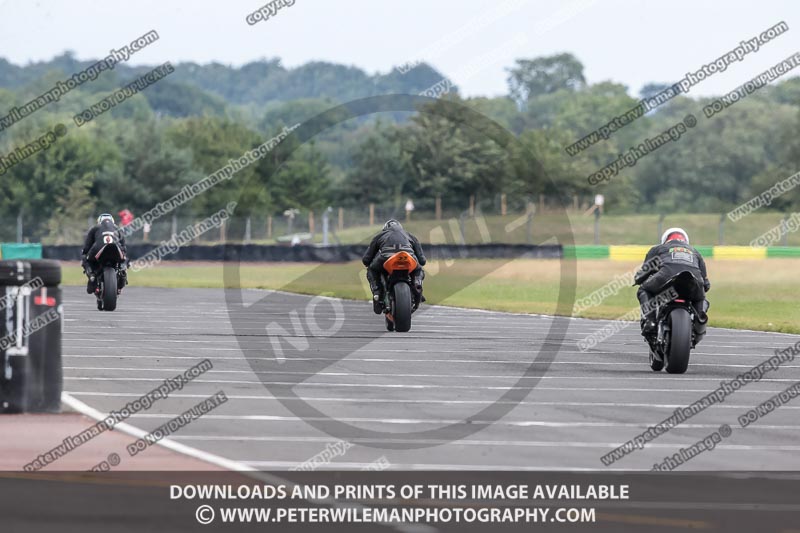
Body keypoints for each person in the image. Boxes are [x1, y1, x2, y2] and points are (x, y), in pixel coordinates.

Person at [634, 227, 710, 343]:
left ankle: (650, 321)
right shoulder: (695, 252)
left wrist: (638, 279)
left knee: (643, 290)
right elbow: (706, 284)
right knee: (701, 297)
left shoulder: (658, 248)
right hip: (693, 281)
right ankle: (700, 319)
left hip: (665, 278)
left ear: (665, 239)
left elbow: (643, 273)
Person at [362, 219, 426, 314]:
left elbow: (366, 260)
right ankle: (417, 284)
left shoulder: (380, 235)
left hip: (386, 258)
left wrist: (370, 262)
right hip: (408, 257)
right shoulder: (410, 235)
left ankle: (377, 292)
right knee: (419, 269)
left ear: (385, 229)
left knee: (372, 269)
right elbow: (422, 260)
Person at [81, 213, 128, 294]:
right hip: (116, 248)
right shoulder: (118, 228)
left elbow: (87, 247)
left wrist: (85, 253)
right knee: (125, 259)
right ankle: (123, 273)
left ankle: (92, 276)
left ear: (99, 221)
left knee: (85, 258)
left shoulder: (94, 228)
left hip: (98, 248)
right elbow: (124, 247)